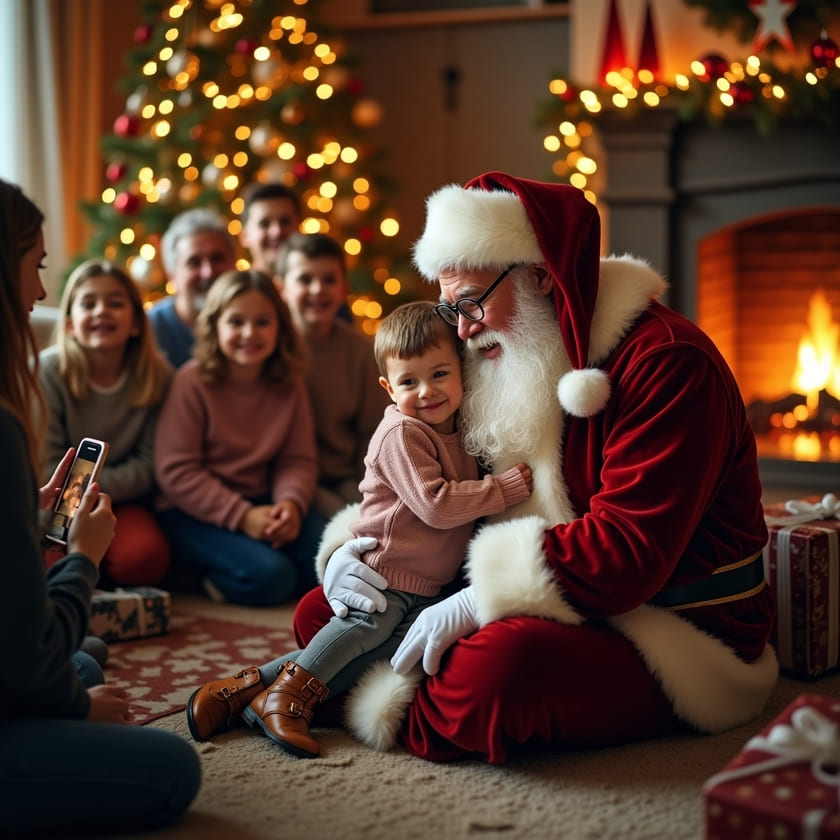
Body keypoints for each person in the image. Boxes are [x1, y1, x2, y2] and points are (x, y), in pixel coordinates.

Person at [188, 301, 532, 756]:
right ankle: (286, 701)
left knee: (375, 655)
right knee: (363, 630)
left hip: (426, 583)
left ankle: (240, 692)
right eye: (410, 381)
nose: (427, 391)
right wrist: (503, 489)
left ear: (461, 373)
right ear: (389, 388)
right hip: (385, 568)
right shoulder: (402, 433)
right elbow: (437, 506)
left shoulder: (457, 430)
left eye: (440, 375)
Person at [0, 178, 200, 835]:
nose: (39, 294)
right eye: (37, 268)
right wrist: (83, 556)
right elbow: (30, 664)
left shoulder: (154, 377)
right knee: (174, 769)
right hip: (17, 670)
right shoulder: (19, 410)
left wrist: (27, 516)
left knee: (83, 658)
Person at [154, 269, 325, 606]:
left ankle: (246, 557)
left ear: (280, 327)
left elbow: (298, 459)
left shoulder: (289, 383)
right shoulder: (191, 382)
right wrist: (242, 517)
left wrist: (290, 504)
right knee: (273, 578)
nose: (249, 333)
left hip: (264, 502)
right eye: (236, 322)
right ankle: (197, 575)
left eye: (262, 322)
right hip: (191, 512)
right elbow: (176, 471)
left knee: (324, 564)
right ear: (214, 326)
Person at [39, 258, 173, 587]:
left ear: (136, 324)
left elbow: (149, 465)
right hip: (56, 502)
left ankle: (92, 571)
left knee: (145, 560)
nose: (102, 311)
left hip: (121, 501)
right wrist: (77, 500)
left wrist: (94, 491)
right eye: (89, 303)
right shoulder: (47, 371)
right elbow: (46, 464)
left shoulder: (159, 378)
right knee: (40, 565)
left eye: (115, 303)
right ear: (70, 323)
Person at [275, 232, 390, 518]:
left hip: (348, 477)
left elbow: (372, 433)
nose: (317, 290)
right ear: (281, 289)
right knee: (344, 524)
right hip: (289, 481)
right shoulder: (270, 348)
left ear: (343, 289)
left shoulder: (362, 352)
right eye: (304, 279)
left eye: (328, 280)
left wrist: (368, 490)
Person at [148, 207, 237, 368]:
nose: (208, 272)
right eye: (194, 262)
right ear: (172, 276)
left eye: (217, 258)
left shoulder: (253, 323)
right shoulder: (150, 329)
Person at [239, 181, 301, 275]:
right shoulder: (236, 288)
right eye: (264, 224)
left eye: (285, 221)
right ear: (244, 236)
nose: (277, 231)